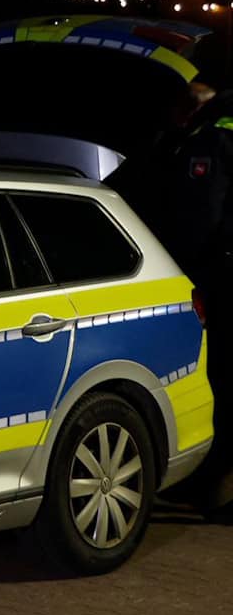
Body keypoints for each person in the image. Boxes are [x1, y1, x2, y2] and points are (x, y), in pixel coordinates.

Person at [114, 79, 233, 510]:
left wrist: (177, 269)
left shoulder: (213, 137)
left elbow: (200, 216)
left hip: (219, 273)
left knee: (220, 378)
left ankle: (211, 484)